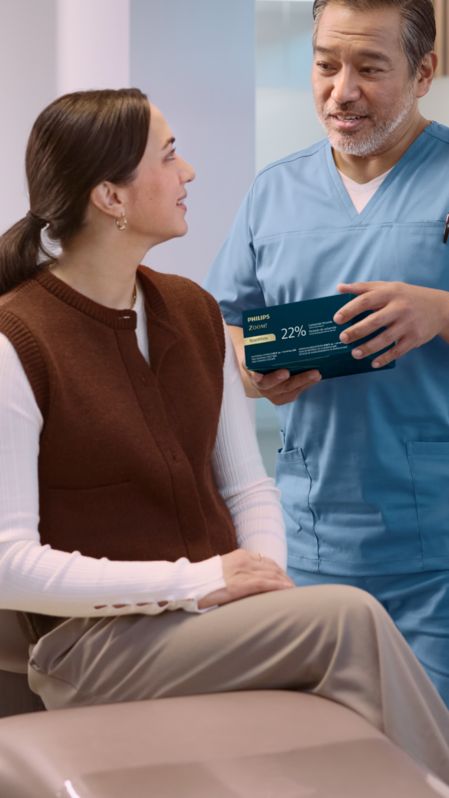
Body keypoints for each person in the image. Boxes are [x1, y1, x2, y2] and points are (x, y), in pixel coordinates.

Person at [0, 88, 448, 783]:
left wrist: (261, 578)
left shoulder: (193, 312)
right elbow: (7, 563)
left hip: (205, 627)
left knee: (339, 680)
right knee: (345, 622)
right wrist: (204, 581)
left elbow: (246, 485)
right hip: (94, 647)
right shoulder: (18, 339)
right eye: (169, 155)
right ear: (111, 198)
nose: (189, 174)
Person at [205, 0, 449, 709]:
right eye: (324, 64)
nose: (341, 91)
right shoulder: (273, 192)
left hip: (435, 554)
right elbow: (215, 335)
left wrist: (439, 312)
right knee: (314, 755)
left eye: (369, 68)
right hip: (310, 543)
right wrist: (251, 367)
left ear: (423, 71)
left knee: (421, 760)